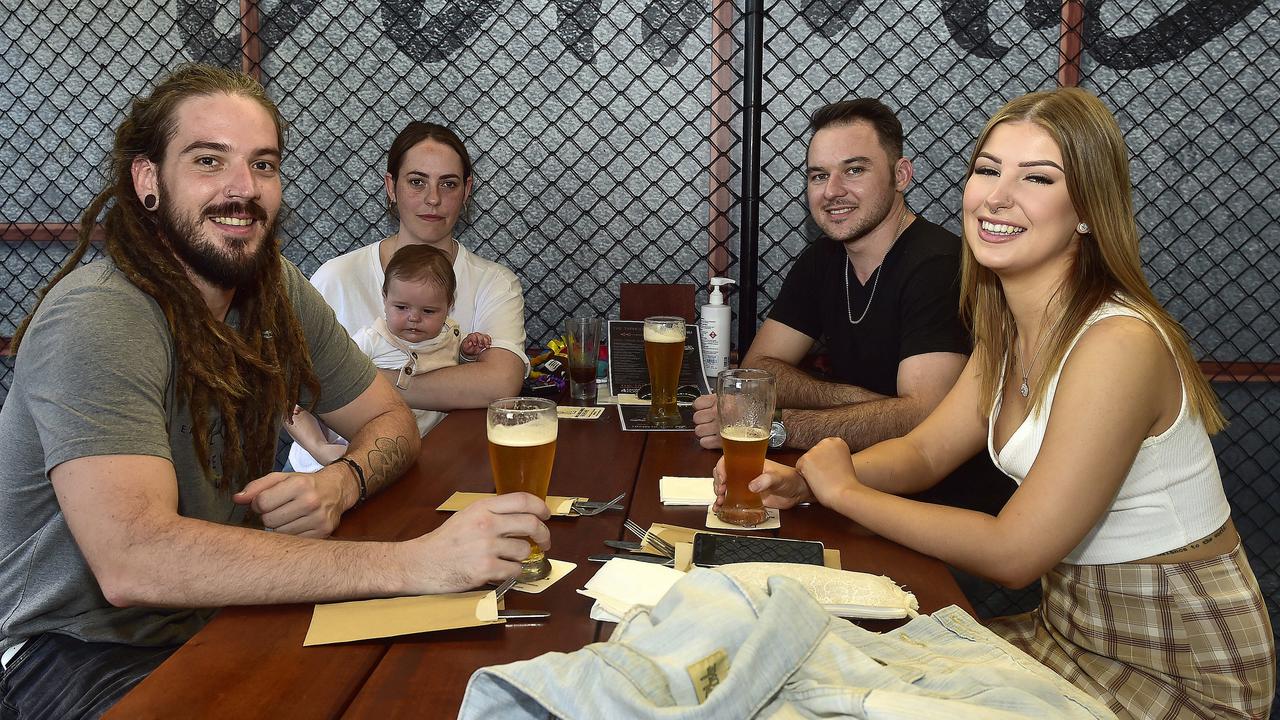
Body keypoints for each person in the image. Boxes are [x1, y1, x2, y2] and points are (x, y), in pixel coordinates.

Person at [0, 65, 550, 720]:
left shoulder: (274, 289)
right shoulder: (99, 315)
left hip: (219, 610)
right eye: (209, 160)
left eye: (263, 165)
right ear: (148, 180)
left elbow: (389, 419)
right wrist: (416, 565)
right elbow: (135, 561)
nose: (243, 188)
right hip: (74, 648)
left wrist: (339, 482)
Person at [720, 87, 1275, 717]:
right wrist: (800, 483)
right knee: (811, 671)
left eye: (1037, 178)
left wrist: (845, 491)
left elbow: (1015, 554)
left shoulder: (1119, 342)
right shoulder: (1008, 328)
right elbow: (927, 451)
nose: (997, 197)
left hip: (1175, 663)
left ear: (1088, 206)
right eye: (987, 170)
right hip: (1065, 629)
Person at [693, 97, 1011, 514]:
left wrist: (773, 427)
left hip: (944, 509)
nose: (832, 191)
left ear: (901, 175)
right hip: (849, 491)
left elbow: (922, 418)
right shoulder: (822, 260)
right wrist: (865, 403)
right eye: (818, 175)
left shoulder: (939, 264)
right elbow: (759, 373)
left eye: (855, 170)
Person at [305, 121, 528, 414]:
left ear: (466, 191)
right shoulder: (335, 278)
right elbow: (299, 387)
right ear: (391, 187)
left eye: (448, 184)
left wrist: (350, 384)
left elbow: (499, 384)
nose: (433, 199)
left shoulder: (495, 283)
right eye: (417, 182)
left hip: (445, 457)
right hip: (333, 457)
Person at [287, 244, 492, 470]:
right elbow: (332, 374)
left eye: (428, 311)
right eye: (402, 307)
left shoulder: (451, 336)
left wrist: (467, 354)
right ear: (385, 299)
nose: (414, 317)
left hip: (418, 450)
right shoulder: (372, 340)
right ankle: (318, 444)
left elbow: (458, 372)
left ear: (449, 306)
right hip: (353, 445)